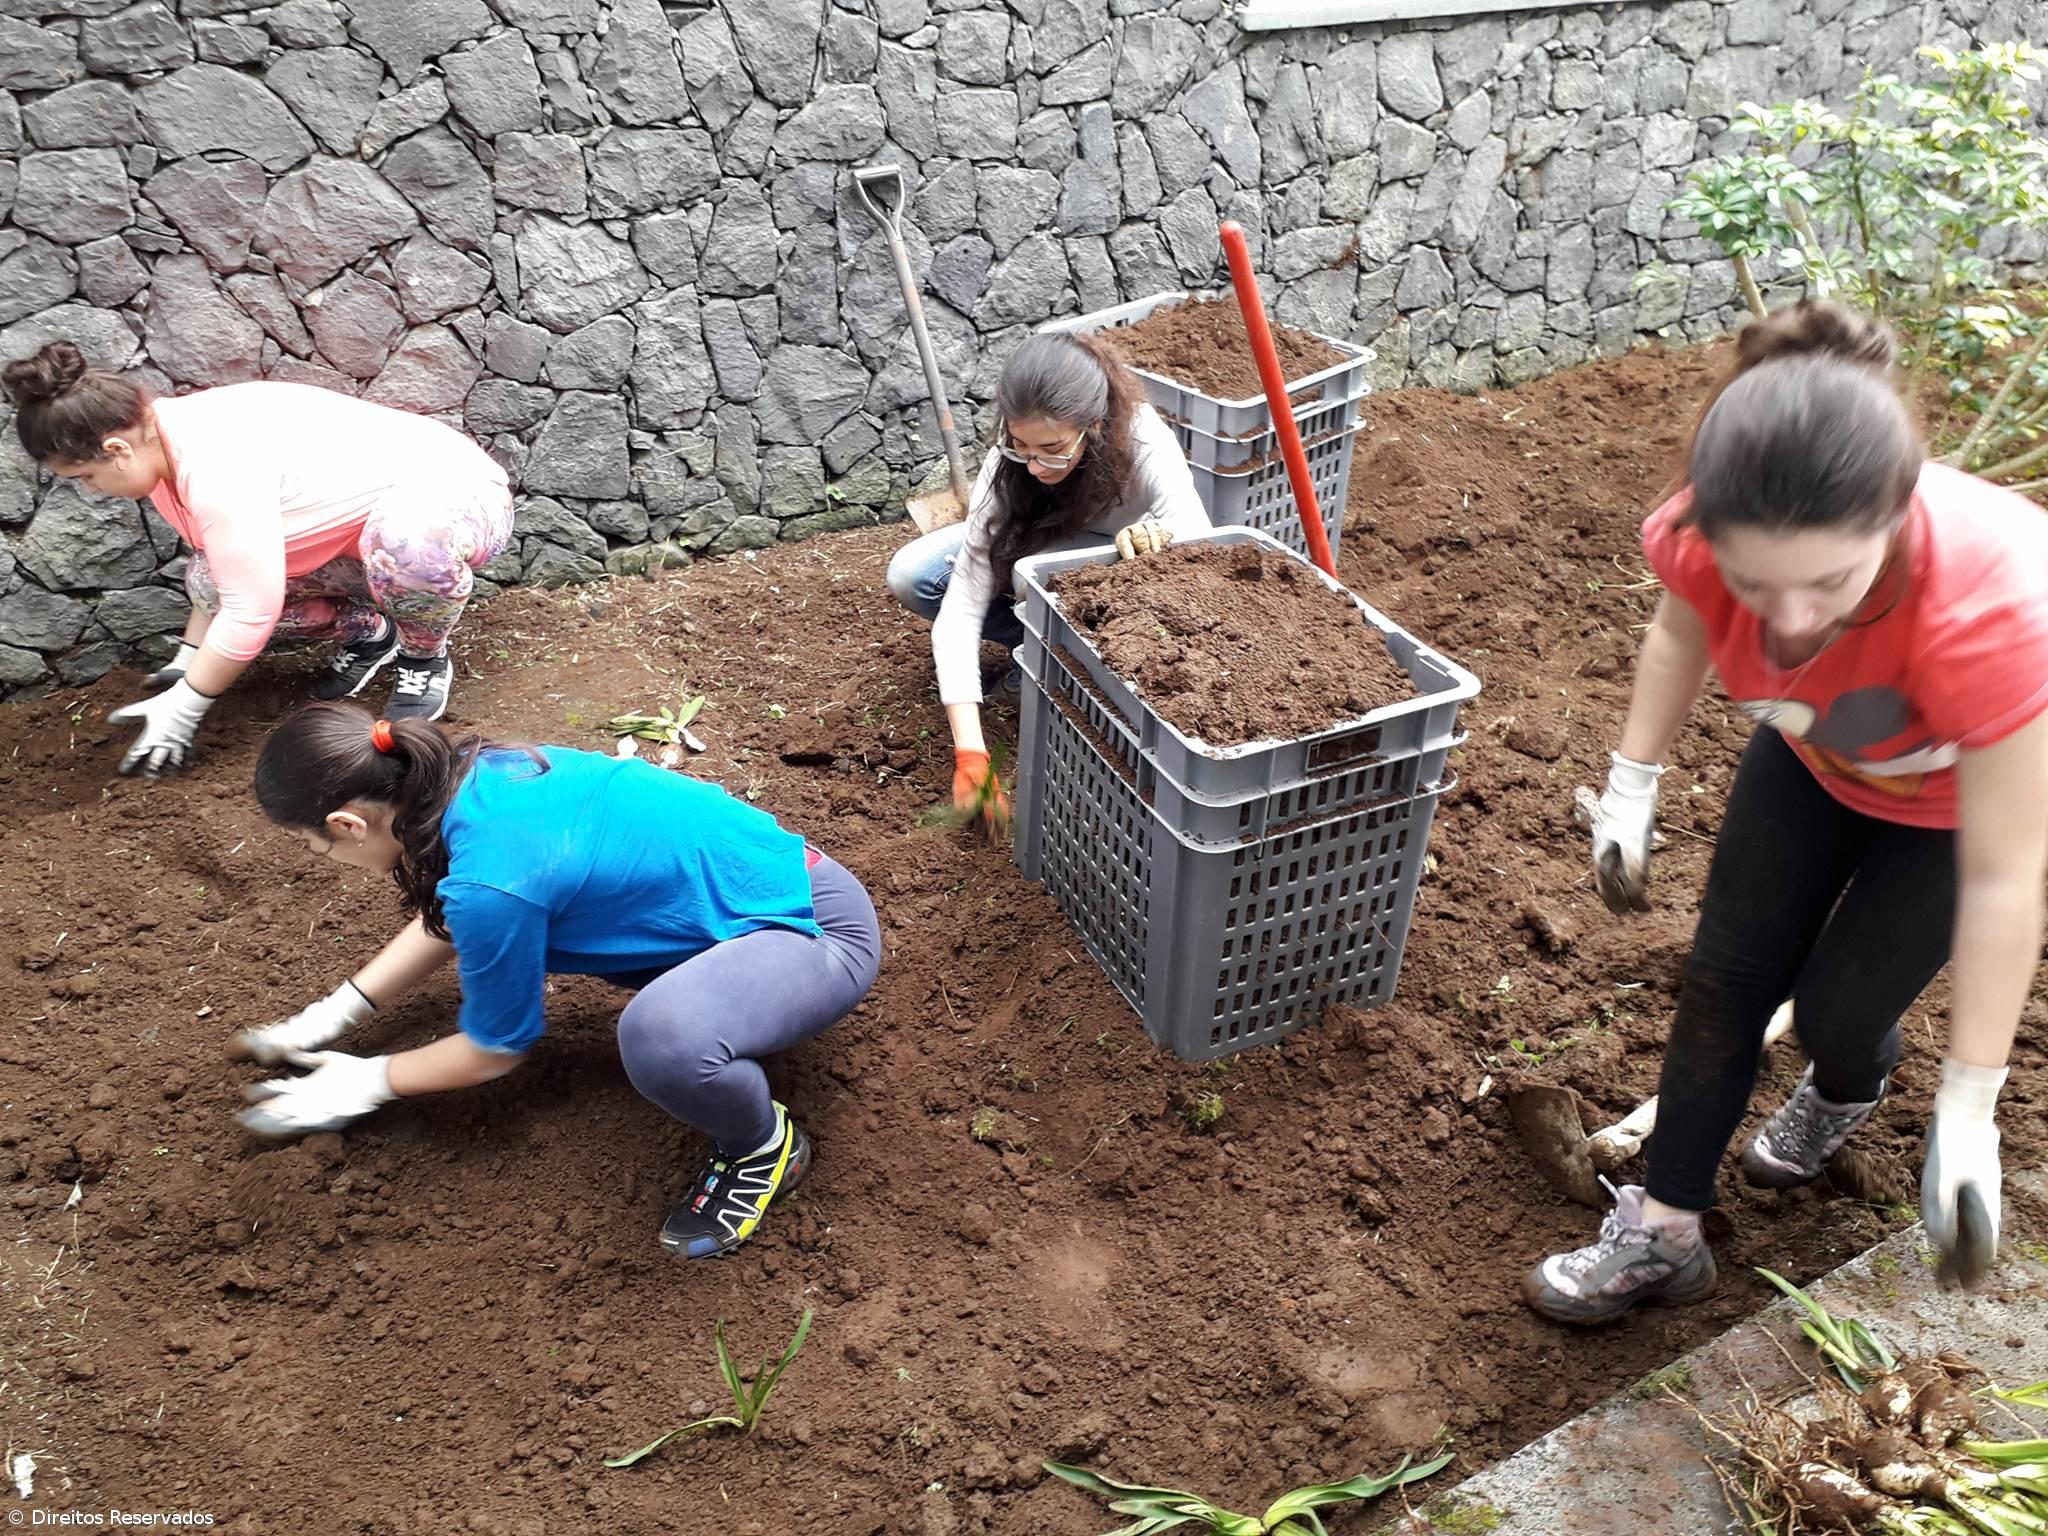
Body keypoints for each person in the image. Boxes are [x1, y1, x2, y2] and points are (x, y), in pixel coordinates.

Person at [1521, 303, 2048, 1325]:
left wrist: (1969, 1104)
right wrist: (1632, 782)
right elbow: (1677, 636)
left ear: (1895, 514)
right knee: (1722, 981)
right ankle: (1662, 1231)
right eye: (1758, 585)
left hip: (1950, 813)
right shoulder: (1699, 535)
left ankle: (1848, 1085)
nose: (1794, 622)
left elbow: (2002, 875)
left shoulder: (1991, 612)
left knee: (1840, 1012)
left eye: (1828, 582)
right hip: (1811, 760)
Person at [231, 702, 882, 1259]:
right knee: (645, 989)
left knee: (662, 1039)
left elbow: (493, 1048)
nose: (327, 858)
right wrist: (336, 1011)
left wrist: (367, 1081)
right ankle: (729, 1018)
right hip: (758, 896)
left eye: (319, 846)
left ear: (349, 823)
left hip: (815, 933)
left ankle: (763, 1147)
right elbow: (458, 914)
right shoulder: (468, 776)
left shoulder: (492, 876)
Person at [1, 341, 515, 773]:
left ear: (116, 449)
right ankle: (369, 635)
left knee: (406, 545)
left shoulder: (216, 462)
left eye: (84, 477)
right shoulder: (158, 443)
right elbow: (222, 568)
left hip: (456, 504)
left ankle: (424, 656)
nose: (90, 491)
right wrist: (187, 662)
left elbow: (251, 610)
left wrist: (188, 705)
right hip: (356, 541)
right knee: (207, 581)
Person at [884, 330, 1211, 831]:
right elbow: (963, 603)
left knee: (1030, 574)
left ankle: (1066, 661)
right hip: (1042, 544)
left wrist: (1157, 535)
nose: (1035, 466)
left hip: (1120, 573)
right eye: (1022, 447)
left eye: (1053, 449)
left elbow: (1202, 545)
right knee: (916, 575)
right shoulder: (1010, 465)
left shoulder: (1143, 441)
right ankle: (1032, 648)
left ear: (1094, 426)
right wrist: (971, 751)